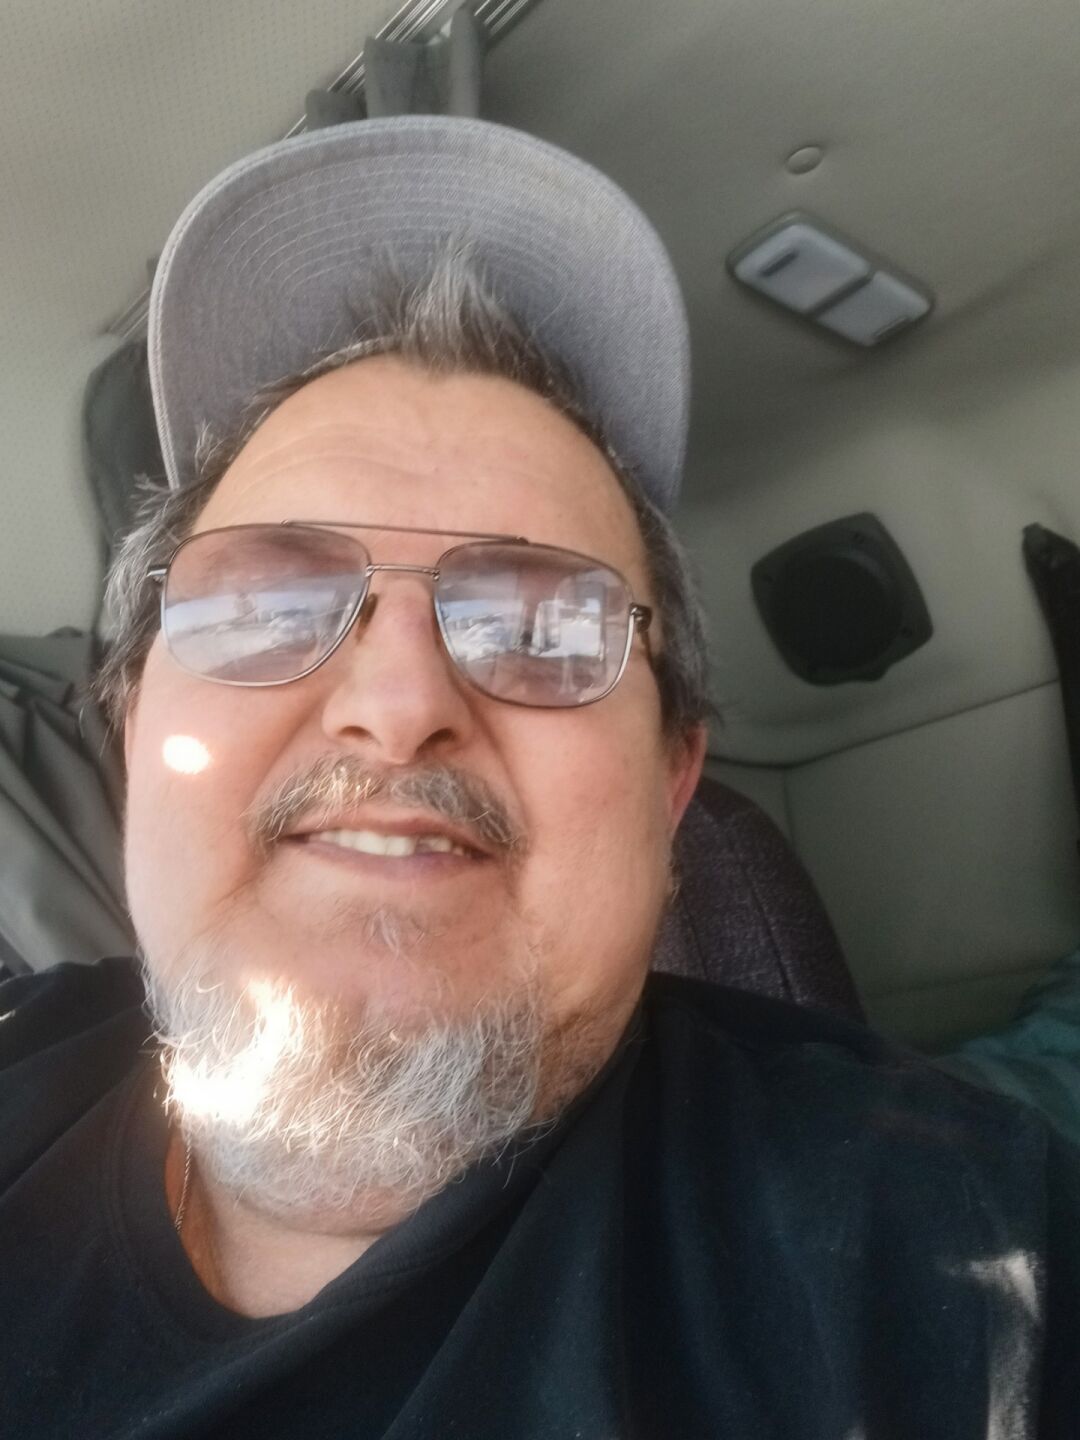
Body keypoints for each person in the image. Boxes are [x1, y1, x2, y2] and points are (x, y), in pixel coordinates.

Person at [1, 115, 1078, 1439]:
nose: (399, 707)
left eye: (544, 626)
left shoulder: (946, 1241)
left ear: (673, 784)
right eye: (270, 605)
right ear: (134, 723)